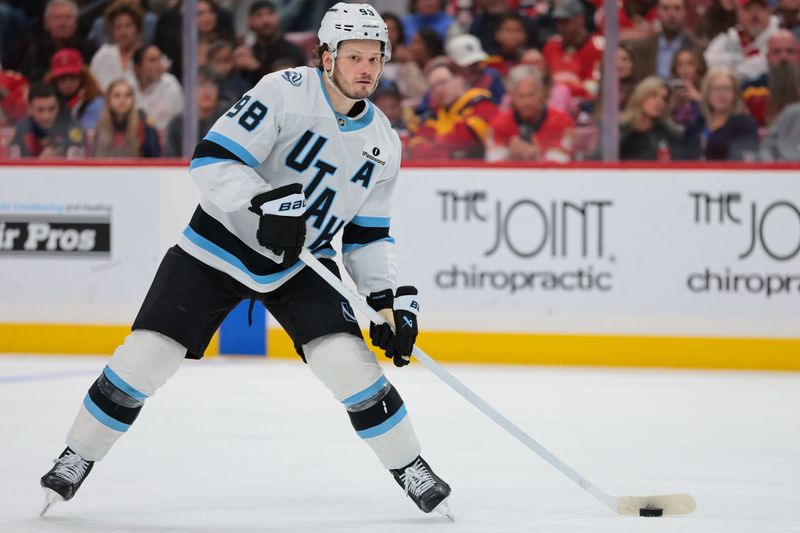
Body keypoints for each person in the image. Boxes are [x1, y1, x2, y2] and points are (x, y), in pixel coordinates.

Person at [38, 2, 452, 521]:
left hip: (303, 264)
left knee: (351, 366)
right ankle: (77, 455)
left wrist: (384, 301)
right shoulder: (284, 92)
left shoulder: (384, 144)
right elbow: (211, 160)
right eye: (354, 57)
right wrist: (262, 203)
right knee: (146, 357)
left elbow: (367, 236)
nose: (366, 68)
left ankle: (411, 466)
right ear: (327, 58)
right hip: (216, 247)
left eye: (375, 58)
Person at [407, 59, 499, 159]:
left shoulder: (481, 104)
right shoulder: (432, 116)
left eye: (442, 82)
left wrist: (437, 144)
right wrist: (453, 154)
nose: (438, 90)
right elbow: (417, 150)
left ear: (459, 79)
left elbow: (468, 138)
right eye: (433, 87)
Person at [486, 64, 575, 162]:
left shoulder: (562, 121)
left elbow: (564, 162)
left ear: (542, 94)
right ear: (512, 97)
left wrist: (538, 157)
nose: (527, 102)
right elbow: (491, 161)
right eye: (521, 96)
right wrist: (510, 158)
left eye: (531, 95)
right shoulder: (498, 123)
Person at [685, 67, 760, 160]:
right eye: (716, 89)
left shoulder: (745, 125)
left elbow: (743, 158)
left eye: (727, 89)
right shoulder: (696, 125)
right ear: (707, 94)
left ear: (735, 94)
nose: (721, 94)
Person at [18, 0, 98, 82]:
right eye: (57, 18)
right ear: (46, 24)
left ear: (76, 23)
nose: (63, 23)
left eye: (68, 17)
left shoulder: (90, 49)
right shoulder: (35, 53)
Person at [233, 1, 309, 86]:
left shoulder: (291, 51)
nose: (266, 20)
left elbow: (287, 85)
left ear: (278, 18)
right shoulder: (250, 52)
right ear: (250, 21)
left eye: (270, 14)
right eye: (259, 15)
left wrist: (256, 68)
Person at [627, 0, 702, 83]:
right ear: (657, 12)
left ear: (685, 12)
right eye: (665, 8)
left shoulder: (698, 48)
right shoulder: (641, 48)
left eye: (677, 8)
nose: (672, 14)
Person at [704, 0, 780, 81]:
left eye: (760, 8)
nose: (755, 14)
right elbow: (711, 65)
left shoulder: (780, 38)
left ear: (769, 10)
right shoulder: (727, 39)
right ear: (737, 12)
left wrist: (735, 66)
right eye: (748, 8)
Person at [617, 76, 687, 160]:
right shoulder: (618, 129)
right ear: (641, 96)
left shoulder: (670, 135)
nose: (659, 102)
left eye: (664, 98)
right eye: (654, 96)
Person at [8, 82, 85, 159]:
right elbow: (14, 166)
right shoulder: (21, 129)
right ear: (30, 108)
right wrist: (41, 163)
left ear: (58, 107)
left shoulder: (72, 127)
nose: (46, 116)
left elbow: (77, 164)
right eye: (40, 110)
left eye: (51, 109)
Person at [164, 68, 226, 157]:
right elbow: (170, 159)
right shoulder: (177, 123)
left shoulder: (226, 119)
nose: (207, 90)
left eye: (212, 85)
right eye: (201, 84)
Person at [93, 78, 160, 157]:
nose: (123, 100)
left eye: (128, 95)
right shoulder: (100, 124)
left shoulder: (143, 123)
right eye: (117, 96)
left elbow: (153, 156)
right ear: (108, 101)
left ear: (133, 100)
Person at [89, 0, 145, 92]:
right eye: (118, 27)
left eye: (128, 26)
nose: (123, 32)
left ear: (138, 28)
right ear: (111, 31)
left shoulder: (147, 57)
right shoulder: (102, 56)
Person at [45, 48, 105, 132]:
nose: (68, 83)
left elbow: (86, 135)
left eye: (73, 77)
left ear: (82, 77)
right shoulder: (47, 100)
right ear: (54, 81)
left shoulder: (94, 102)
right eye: (62, 78)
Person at [132, 44, 184, 133]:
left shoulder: (169, 84)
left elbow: (161, 125)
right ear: (138, 67)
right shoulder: (129, 85)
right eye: (152, 60)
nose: (158, 65)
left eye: (159, 59)